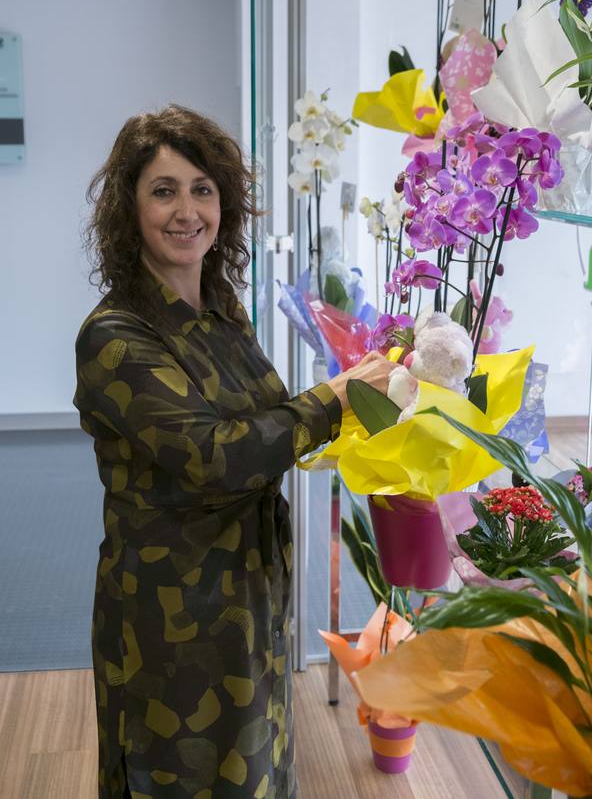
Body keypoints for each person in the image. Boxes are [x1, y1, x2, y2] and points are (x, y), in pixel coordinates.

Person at [74, 105, 398, 799]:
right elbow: (215, 456)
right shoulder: (115, 338)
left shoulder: (221, 312)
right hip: (172, 615)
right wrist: (334, 402)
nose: (186, 210)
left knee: (251, 771)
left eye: (203, 189)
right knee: (178, 775)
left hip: (249, 597)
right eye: (163, 190)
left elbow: (267, 429)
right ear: (129, 209)